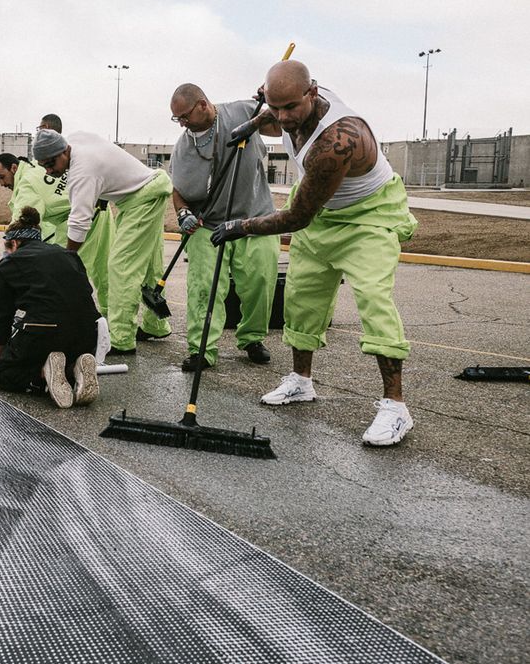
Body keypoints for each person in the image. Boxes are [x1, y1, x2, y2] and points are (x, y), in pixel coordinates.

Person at [212, 60, 419, 446]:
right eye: (276, 107)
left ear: (312, 92)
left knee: (374, 301)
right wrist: (252, 123)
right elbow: (274, 115)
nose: (283, 118)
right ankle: (301, 382)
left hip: (367, 217)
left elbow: (297, 217)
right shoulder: (284, 108)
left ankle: (395, 408)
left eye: (291, 107)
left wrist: (240, 226)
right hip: (323, 216)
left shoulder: (338, 140)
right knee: (301, 299)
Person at [169, 84, 280, 372]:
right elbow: (178, 190)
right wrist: (183, 214)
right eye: (176, 119)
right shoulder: (184, 145)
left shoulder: (244, 111)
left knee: (260, 281)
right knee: (203, 286)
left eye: (184, 116)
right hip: (209, 224)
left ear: (203, 105)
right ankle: (201, 349)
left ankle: (252, 338)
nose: (181, 123)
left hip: (255, 218)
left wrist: (274, 101)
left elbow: (281, 128)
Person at [33, 128, 172, 356]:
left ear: (64, 150)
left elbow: (79, 223)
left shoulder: (82, 172)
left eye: (51, 163)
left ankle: (122, 339)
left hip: (141, 199)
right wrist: (102, 193)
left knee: (121, 266)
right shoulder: (76, 139)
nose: (50, 170)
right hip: (145, 190)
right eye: (44, 166)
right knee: (148, 265)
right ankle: (156, 325)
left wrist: (68, 257)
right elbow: (105, 160)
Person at [0, 207, 100, 409]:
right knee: (59, 336)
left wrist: (2, 353)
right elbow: (84, 292)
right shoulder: (69, 255)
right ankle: (73, 367)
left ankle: (43, 370)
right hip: (87, 331)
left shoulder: (9, 263)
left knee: (4, 376)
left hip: (46, 329)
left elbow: (2, 315)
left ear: (14, 243)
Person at [33, 113, 114, 317]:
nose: (49, 170)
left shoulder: (75, 158)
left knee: (81, 272)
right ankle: (91, 318)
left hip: (88, 216)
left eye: (43, 129)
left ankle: (78, 319)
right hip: (83, 214)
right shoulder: (45, 160)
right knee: (94, 271)